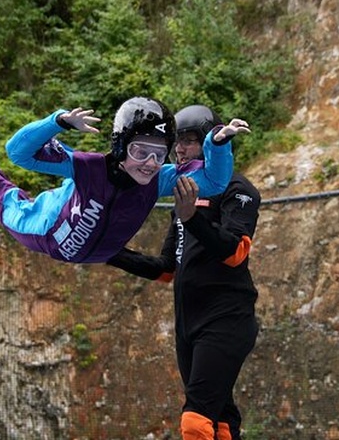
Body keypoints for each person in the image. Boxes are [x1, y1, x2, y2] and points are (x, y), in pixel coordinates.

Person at [0, 97, 251, 264]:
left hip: (95, 252)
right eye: (139, 151)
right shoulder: (90, 168)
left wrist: (218, 145)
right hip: (46, 229)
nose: (149, 163)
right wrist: (57, 122)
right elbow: (18, 153)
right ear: (119, 146)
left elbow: (212, 180)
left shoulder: (160, 180)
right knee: (3, 202)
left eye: (159, 154)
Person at [106, 105, 261, 440]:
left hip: (226, 319)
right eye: (178, 142)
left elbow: (235, 253)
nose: (180, 149)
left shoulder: (238, 189)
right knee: (219, 418)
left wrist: (192, 217)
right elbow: (165, 270)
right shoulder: (184, 192)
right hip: (188, 324)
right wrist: (107, 253)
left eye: (190, 141)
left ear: (209, 142)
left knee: (195, 420)